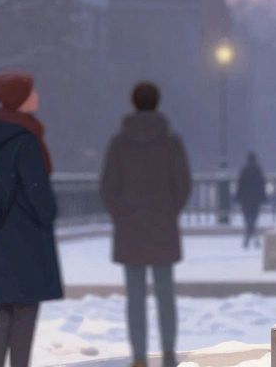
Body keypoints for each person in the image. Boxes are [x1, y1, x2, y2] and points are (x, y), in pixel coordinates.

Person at [101, 81, 192, 367]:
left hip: (130, 228)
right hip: (162, 226)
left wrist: (122, 214)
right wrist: (168, 211)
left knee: (135, 298)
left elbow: (107, 187)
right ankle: (168, 353)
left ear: (133, 103)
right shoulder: (171, 141)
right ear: (157, 102)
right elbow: (183, 185)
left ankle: (139, 357)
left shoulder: (119, 142)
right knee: (166, 295)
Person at [0, 71, 64, 367]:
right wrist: (50, 211)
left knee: (7, 308)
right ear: (20, 100)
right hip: (26, 238)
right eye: (31, 93)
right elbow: (38, 193)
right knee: (26, 309)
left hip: (3, 233)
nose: (37, 97)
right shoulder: (25, 141)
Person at [235, 152, 267, 249]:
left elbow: (240, 185)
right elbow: (261, 185)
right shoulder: (258, 170)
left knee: (248, 219)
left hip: (246, 199)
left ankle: (247, 238)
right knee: (253, 219)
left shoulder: (244, 170)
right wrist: (263, 197)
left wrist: (238, 197)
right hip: (255, 199)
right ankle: (253, 239)